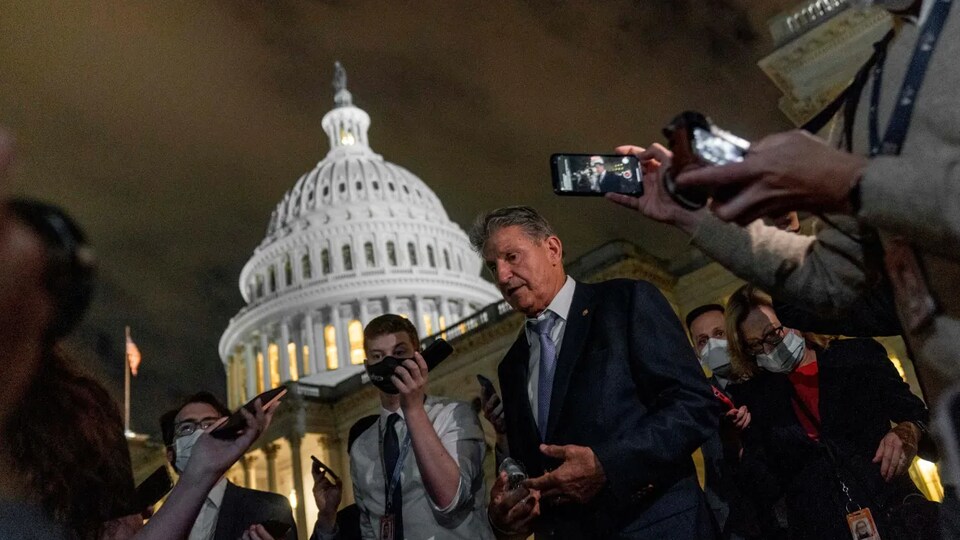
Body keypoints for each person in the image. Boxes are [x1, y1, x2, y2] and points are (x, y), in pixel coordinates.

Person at [471, 206, 718, 539]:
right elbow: (534, 465)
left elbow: (695, 405)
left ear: (552, 249)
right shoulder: (512, 365)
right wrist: (508, 510)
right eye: (492, 266)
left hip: (656, 526)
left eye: (511, 257)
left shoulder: (625, 302)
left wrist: (607, 464)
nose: (502, 276)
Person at [723, 284, 938, 539]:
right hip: (820, 529)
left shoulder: (856, 356)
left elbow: (921, 418)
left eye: (772, 335)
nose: (769, 350)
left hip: (895, 516)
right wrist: (737, 445)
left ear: (794, 320)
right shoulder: (754, 397)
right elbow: (763, 488)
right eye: (755, 345)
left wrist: (910, 430)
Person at [344, 314, 492, 539]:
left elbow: (451, 500)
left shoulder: (455, 415)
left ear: (418, 355)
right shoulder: (361, 448)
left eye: (399, 353)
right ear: (367, 367)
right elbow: (369, 528)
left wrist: (413, 409)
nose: (389, 363)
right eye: (378, 356)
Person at [160, 392, 297, 540]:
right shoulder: (157, 525)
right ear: (170, 454)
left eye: (210, 425)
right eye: (186, 428)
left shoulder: (269, 509)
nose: (201, 434)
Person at [310, 414, 377, 540]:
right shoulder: (344, 521)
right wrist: (327, 517)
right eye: (359, 463)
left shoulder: (415, 508)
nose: (369, 473)